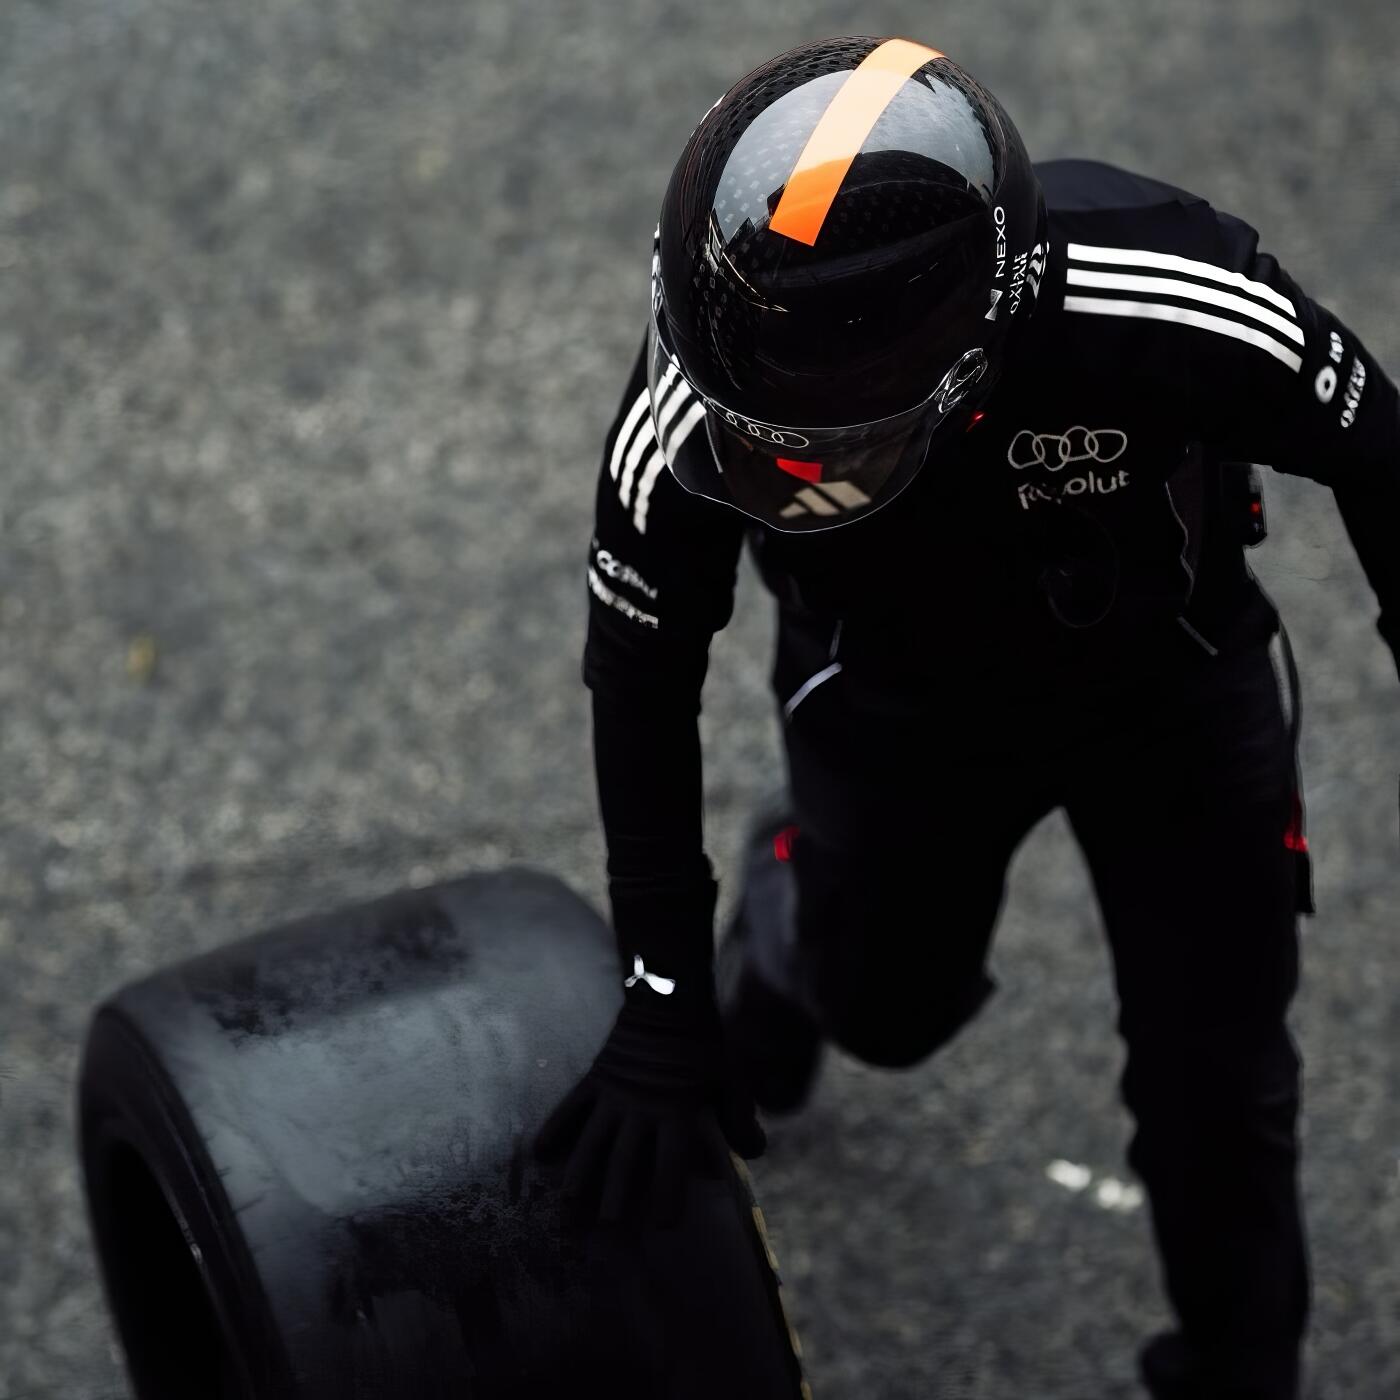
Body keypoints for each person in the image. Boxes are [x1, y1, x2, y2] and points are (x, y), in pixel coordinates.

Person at [532, 34, 1400, 1400]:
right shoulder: (693, 404)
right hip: (892, 711)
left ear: (974, 361)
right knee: (884, 1013)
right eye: (740, 416)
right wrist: (664, 989)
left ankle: (1242, 1373)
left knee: (1220, 1094)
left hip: (1172, 686)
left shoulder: (1166, 293)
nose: (761, 463)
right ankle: (787, 905)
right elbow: (639, 677)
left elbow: (1380, 451)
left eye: (814, 443)